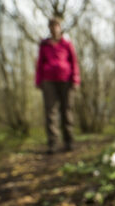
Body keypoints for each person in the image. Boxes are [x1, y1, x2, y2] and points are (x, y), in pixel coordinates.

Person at [35, 17, 80, 154]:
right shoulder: (44, 45)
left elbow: (74, 62)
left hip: (66, 80)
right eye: (52, 26)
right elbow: (40, 64)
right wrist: (38, 81)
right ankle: (53, 144)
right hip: (48, 81)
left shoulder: (66, 43)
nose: (54, 28)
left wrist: (75, 79)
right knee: (51, 112)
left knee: (67, 110)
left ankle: (69, 141)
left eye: (57, 26)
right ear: (49, 28)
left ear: (60, 27)